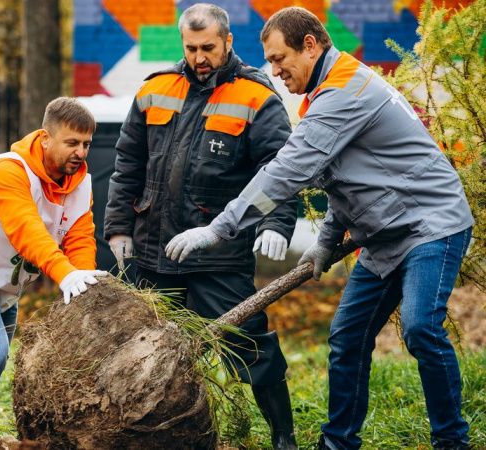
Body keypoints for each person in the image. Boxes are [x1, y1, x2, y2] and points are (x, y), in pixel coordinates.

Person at [165, 6, 474, 450]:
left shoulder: (343, 92)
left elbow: (286, 172)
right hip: (385, 236)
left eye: (279, 59)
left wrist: (220, 228)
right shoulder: (329, 88)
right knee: (348, 337)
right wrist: (326, 242)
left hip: (430, 225)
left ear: (310, 46)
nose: (274, 71)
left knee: (420, 327)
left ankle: (451, 441)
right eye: (269, 61)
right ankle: (338, 443)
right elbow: (344, 180)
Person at [103, 4, 298, 448]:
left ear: (228, 41)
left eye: (208, 47)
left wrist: (277, 222)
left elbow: (280, 168)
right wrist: (118, 227)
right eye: (190, 48)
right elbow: (128, 162)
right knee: (143, 348)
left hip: (219, 253)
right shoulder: (155, 88)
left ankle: (284, 438)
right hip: (154, 250)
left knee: (249, 344)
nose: (199, 57)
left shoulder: (255, 95)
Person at [0, 97, 106, 418]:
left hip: (5, 280)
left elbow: (79, 236)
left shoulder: (80, 184)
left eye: (86, 144)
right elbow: (26, 229)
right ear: (46, 138)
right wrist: (64, 273)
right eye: (71, 143)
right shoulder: (9, 171)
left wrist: (82, 279)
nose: (80, 153)